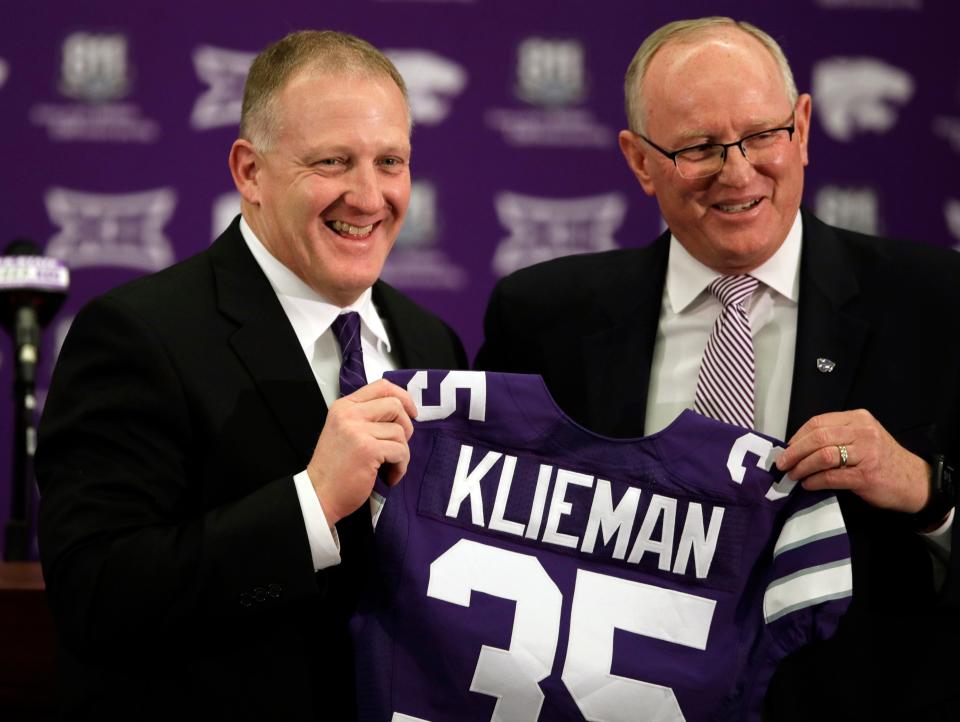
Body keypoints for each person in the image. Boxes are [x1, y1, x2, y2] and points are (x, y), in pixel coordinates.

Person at [476, 17, 960, 721]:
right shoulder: (544, 320)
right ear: (640, 161)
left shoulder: (936, 306)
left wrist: (926, 490)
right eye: (700, 147)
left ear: (801, 127)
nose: (738, 171)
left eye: (762, 135)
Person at [36, 30, 466, 721]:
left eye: (391, 161)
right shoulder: (139, 335)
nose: (368, 195)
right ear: (249, 171)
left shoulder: (431, 341)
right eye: (332, 161)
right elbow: (96, 598)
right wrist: (312, 504)